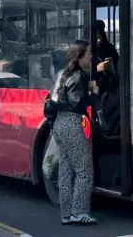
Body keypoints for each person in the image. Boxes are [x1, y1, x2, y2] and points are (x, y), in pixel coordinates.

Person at [50, 40, 98, 225]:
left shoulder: (63, 73)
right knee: (84, 170)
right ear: (80, 57)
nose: (91, 56)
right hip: (71, 123)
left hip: (59, 123)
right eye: (88, 54)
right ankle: (79, 211)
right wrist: (93, 94)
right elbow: (78, 101)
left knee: (65, 170)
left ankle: (67, 213)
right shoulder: (78, 77)